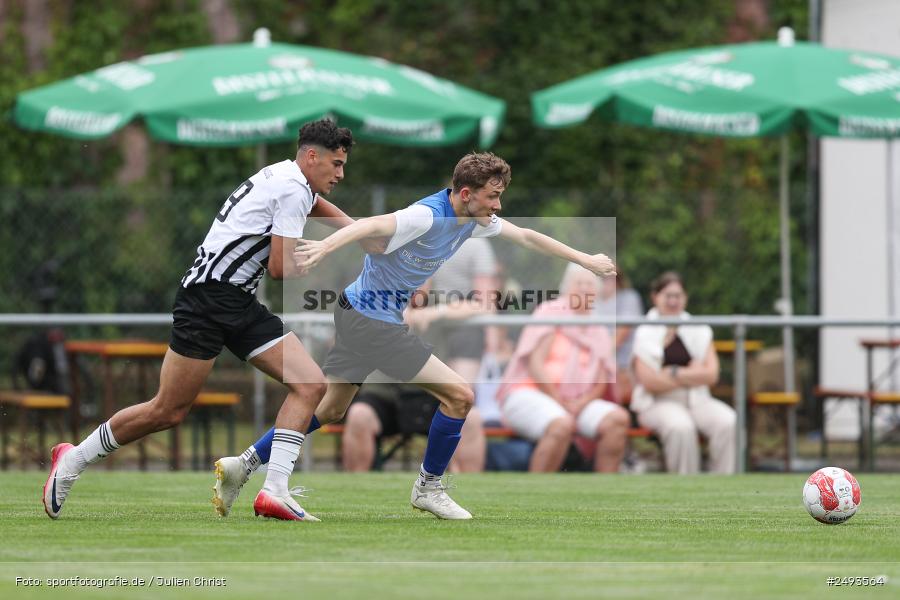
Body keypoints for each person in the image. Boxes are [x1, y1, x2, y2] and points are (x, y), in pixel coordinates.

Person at [214, 152, 616, 520]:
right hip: (371, 321)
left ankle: (244, 463)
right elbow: (372, 226)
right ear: (465, 194)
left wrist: (585, 260)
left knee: (332, 409)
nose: (498, 206)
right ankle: (429, 488)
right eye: (493, 197)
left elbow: (527, 237)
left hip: (358, 313)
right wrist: (324, 248)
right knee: (460, 396)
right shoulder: (427, 216)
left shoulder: (473, 221)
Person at [42, 119, 378, 522]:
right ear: (311, 156)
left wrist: (359, 231)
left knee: (309, 385)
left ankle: (275, 491)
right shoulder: (292, 188)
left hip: (234, 300)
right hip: (207, 300)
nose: (341, 174)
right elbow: (278, 268)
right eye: (336, 164)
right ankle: (73, 458)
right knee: (166, 411)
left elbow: (313, 203)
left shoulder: (290, 177)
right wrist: (320, 253)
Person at [496, 263, 630, 473]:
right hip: (533, 392)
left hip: (579, 402)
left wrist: (581, 402)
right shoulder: (550, 312)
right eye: (579, 283)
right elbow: (535, 364)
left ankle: (605, 493)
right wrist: (559, 400)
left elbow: (603, 379)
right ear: (567, 287)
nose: (585, 289)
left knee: (618, 419)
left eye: (589, 284)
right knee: (561, 424)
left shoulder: (599, 329)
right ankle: (535, 492)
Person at [630, 271, 736, 474]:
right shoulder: (645, 331)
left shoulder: (699, 329)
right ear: (655, 297)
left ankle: (724, 486)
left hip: (698, 399)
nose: (673, 301)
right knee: (681, 427)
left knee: (729, 421)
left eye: (677, 296)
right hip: (658, 402)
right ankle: (687, 489)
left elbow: (712, 375)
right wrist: (692, 373)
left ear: (685, 298)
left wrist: (673, 372)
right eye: (667, 295)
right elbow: (650, 382)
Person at [594, 268, 644, 403]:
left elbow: (623, 330)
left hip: (623, 362)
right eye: (601, 278)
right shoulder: (591, 302)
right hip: (598, 361)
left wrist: (601, 359)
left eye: (609, 278)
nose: (605, 282)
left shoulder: (628, 297)